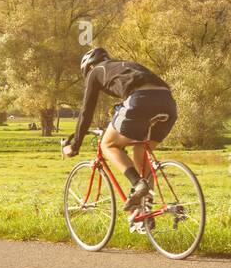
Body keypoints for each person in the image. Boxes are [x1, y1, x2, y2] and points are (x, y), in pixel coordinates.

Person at [61, 47, 177, 220]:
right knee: (140, 150)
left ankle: (138, 184)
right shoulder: (126, 66)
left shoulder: (95, 72)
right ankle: (145, 213)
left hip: (141, 99)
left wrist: (75, 145)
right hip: (168, 102)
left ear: (89, 67)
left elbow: (86, 111)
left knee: (107, 144)